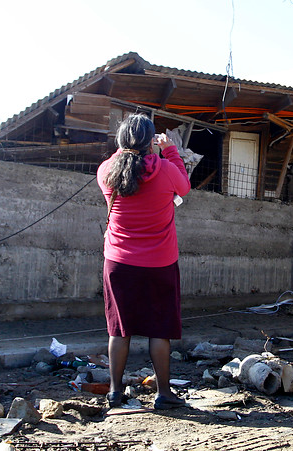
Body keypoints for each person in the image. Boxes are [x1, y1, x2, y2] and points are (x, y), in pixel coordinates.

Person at [96, 114, 191, 409]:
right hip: (160, 263)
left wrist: (125, 147)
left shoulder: (106, 171)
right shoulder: (165, 169)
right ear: (150, 141)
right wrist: (170, 150)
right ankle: (163, 394)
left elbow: (121, 162)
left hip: (118, 262)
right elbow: (184, 187)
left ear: (121, 141)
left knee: (119, 329)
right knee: (159, 328)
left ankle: (114, 392)